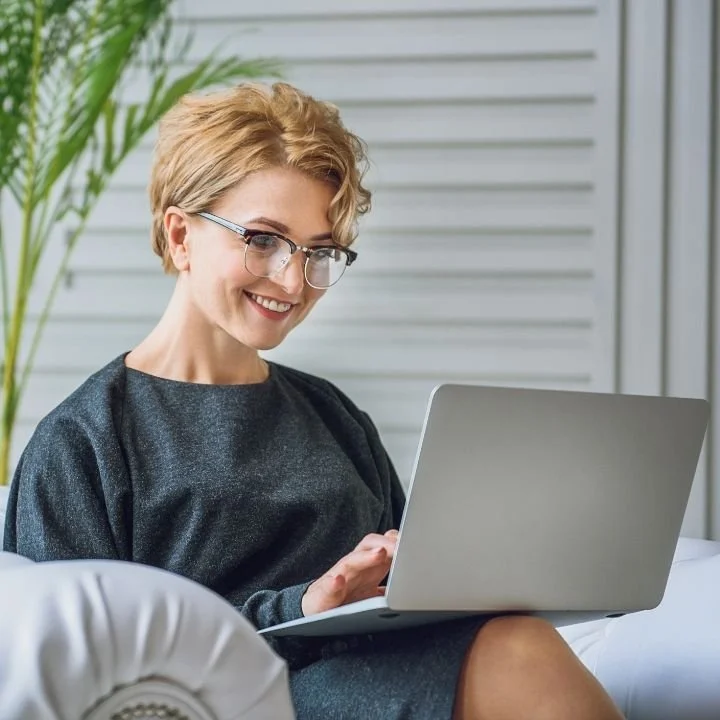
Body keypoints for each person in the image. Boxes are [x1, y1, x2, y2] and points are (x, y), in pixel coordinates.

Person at [4, 82, 624, 720]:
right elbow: (79, 671)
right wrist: (301, 608)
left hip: (383, 675)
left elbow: (408, 592)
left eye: (319, 251)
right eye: (264, 239)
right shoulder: (86, 442)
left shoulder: (332, 415)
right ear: (181, 235)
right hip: (240, 706)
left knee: (518, 643)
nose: (294, 280)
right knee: (517, 657)